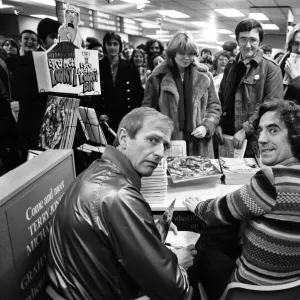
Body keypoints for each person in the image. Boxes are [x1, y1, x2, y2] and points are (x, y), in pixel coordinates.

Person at [47, 107, 196, 300]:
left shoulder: (97, 172)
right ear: (124, 138)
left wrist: (147, 226)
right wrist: (180, 264)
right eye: (152, 140)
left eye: (165, 145)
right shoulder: (120, 194)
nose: (160, 153)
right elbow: (174, 288)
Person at [183, 99, 300, 300]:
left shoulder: (272, 181)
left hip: (249, 290)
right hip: (291, 289)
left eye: (273, 130)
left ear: (295, 135)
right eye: (260, 131)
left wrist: (197, 206)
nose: (261, 139)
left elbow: (217, 212)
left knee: (202, 253)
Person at [143, 31, 221, 157]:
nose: (187, 57)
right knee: (172, 175)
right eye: (182, 53)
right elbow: (148, 111)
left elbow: (214, 107)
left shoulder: (205, 76)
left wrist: (206, 126)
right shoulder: (157, 78)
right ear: (173, 52)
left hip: (200, 144)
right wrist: (160, 132)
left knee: (200, 175)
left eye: (191, 53)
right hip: (168, 142)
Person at [216, 18, 284, 155]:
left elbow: (273, 107)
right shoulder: (231, 65)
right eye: (243, 39)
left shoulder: (270, 68)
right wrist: (218, 123)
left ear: (260, 42)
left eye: (253, 40)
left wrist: (245, 130)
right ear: (237, 41)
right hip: (226, 137)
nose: (247, 45)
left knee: (249, 176)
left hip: (252, 141)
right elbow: (222, 98)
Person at [99, 32, 144, 133]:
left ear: (120, 46)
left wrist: (135, 114)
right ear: (104, 46)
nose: (112, 47)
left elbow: (138, 93)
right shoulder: (97, 66)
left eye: (115, 44)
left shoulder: (130, 67)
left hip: (126, 117)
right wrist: (98, 114)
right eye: (109, 44)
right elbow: (93, 94)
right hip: (105, 118)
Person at [278, 23, 300, 103]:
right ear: (290, 44)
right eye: (296, 43)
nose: (299, 49)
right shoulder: (280, 62)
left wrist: (295, 77)